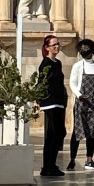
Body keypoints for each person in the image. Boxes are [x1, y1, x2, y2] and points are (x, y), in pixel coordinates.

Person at [67, 38, 94, 172]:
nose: (83, 51)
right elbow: (72, 83)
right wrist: (79, 95)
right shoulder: (78, 66)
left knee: (92, 132)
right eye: (81, 49)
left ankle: (89, 160)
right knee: (77, 131)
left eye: (86, 49)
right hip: (81, 103)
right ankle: (72, 159)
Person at [38, 35, 67, 178]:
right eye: (53, 45)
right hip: (50, 103)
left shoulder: (58, 63)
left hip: (59, 102)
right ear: (47, 47)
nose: (57, 46)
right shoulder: (45, 63)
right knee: (57, 133)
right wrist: (40, 100)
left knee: (55, 133)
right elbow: (42, 82)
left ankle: (50, 165)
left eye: (57, 44)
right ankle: (48, 166)